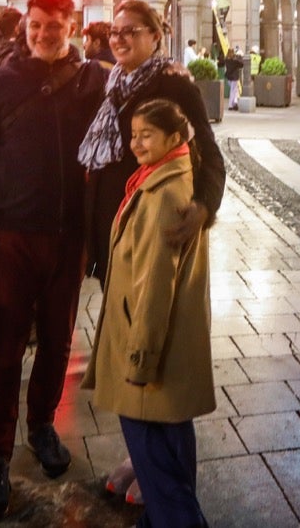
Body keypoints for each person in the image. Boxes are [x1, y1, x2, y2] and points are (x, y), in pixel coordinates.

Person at [0, 0, 109, 519]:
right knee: (5, 348)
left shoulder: (93, 81)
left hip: (68, 238)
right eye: (37, 24)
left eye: (56, 24)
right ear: (25, 26)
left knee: (58, 342)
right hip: (10, 235)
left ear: (73, 25)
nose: (46, 33)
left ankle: (42, 426)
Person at [78, 0, 228, 507]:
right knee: (130, 355)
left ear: (155, 37)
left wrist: (203, 207)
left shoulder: (173, 85)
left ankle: (162, 476)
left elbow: (209, 154)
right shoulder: (111, 84)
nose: (118, 39)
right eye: (113, 32)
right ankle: (143, 460)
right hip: (116, 237)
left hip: (154, 235)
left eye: (131, 32)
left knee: (155, 357)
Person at [84, 99, 214, 527]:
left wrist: (140, 357)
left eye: (148, 135)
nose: (136, 143)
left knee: (150, 447)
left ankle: (176, 520)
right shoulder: (162, 178)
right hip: (164, 340)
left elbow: (155, 285)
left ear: (174, 139)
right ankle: (163, 516)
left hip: (146, 342)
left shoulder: (163, 194)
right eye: (134, 134)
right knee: (172, 436)